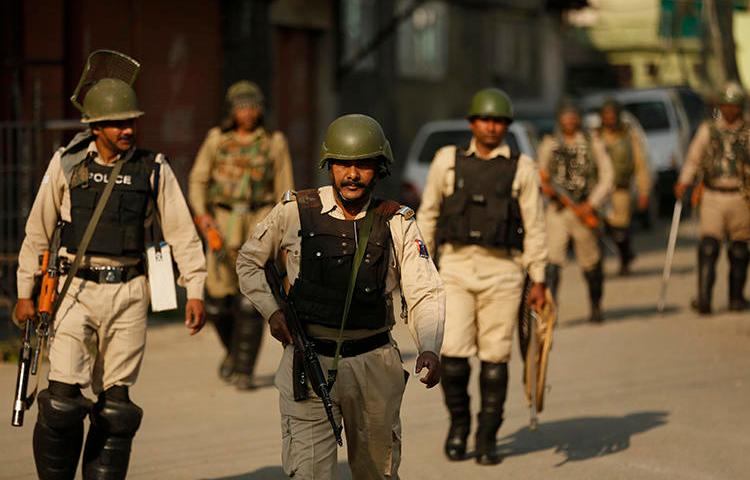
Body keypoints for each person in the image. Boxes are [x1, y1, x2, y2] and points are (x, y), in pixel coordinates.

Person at [13, 52, 206, 480]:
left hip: (129, 291)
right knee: (62, 401)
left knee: (116, 407)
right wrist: (25, 292)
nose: (128, 129)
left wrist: (194, 288)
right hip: (74, 290)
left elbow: (181, 230)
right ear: (95, 126)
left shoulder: (152, 169)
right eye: (119, 122)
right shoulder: (66, 164)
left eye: (132, 121)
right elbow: (38, 230)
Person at [236, 114, 444, 479]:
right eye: (343, 165)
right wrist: (271, 311)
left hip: (374, 365)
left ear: (379, 169)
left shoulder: (397, 221)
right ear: (328, 167)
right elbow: (249, 262)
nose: (352, 174)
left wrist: (428, 344)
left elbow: (424, 290)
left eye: (363, 165)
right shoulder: (294, 211)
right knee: (308, 473)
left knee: (376, 472)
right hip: (308, 359)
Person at [416, 88, 548, 465]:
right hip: (455, 266)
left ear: (506, 126)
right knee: (454, 356)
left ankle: (487, 434)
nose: (491, 127)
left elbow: (535, 225)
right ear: (472, 123)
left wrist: (538, 278)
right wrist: (419, 265)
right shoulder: (447, 160)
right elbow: (428, 215)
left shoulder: (522, 168)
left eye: (499, 121)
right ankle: (458, 426)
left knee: (495, 359)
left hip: (504, 271)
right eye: (485, 120)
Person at [189, 80, 293, 389]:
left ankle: (244, 369)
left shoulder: (274, 142)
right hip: (221, 225)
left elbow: (285, 190)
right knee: (218, 303)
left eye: (252, 106)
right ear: (231, 111)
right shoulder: (216, 140)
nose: (247, 112)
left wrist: (282, 232)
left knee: (251, 301)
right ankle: (233, 353)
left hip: (259, 222)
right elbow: (198, 180)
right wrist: (204, 219)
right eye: (240, 107)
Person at [674, 82, 750, 313]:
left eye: (734, 106)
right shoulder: (708, 130)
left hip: (740, 195)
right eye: (725, 105)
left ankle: (736, 297)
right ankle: (704, 298)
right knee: (708, 246)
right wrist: (684, 181)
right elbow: (694, 158)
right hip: (713, 194)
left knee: (739, 249)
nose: (729, 111)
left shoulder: (747, 132)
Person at [537, 101, 614, 323]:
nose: (569, 120)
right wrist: (546, 189)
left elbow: (607, 176)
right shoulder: (549, 143)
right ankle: (550, 311)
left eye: (573, 116)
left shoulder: (592, 143)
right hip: (557, 210)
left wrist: (591, 203)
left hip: (583, 208)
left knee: (591, 261)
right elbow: (540, 173)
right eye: (565, 116)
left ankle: (596, 305)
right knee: (552, 262)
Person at [598, 98, 651, 275]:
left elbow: (640, 164)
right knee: (601, 229)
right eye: (606, 115)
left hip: (621, 190)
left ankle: (625, 258)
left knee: (620, 230)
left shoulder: (629, 136)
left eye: (612, 115)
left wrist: (644, 191)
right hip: (600, 192)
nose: (609, 118)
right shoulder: (596, 136)